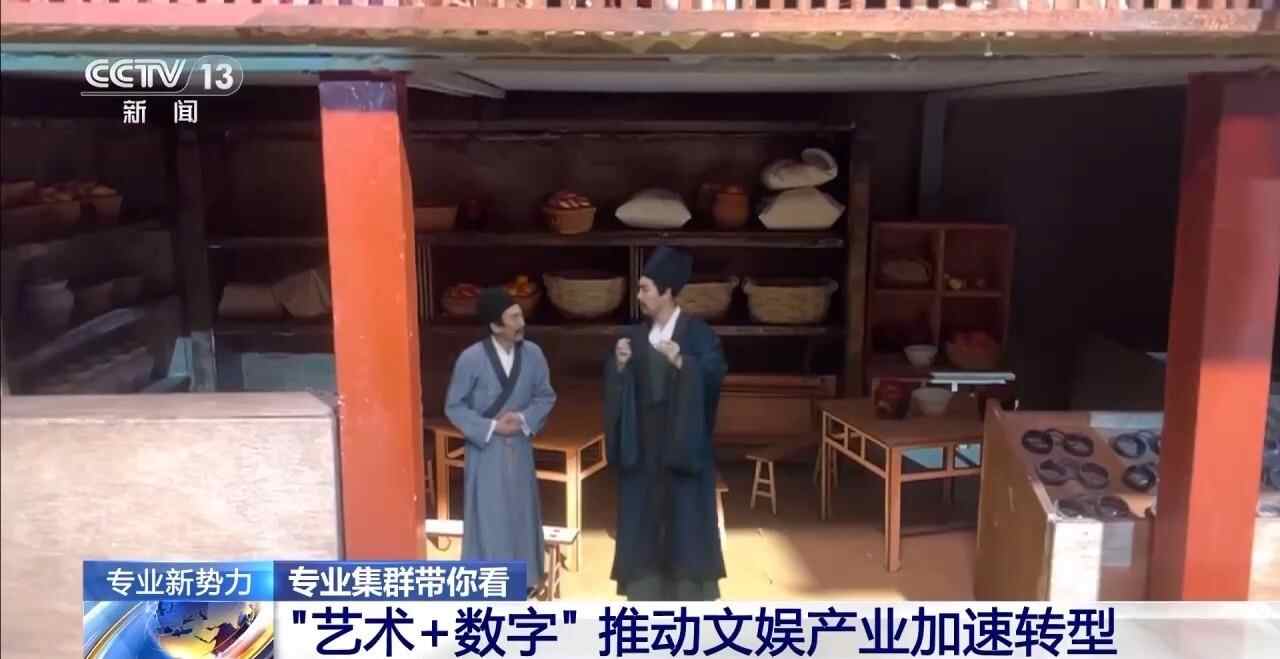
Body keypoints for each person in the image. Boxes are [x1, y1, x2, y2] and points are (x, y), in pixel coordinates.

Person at [603, 246, 728, 600]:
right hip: (643, 452)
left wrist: (684, 365)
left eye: (645, 288)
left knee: (685, 528)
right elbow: (615, 388)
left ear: (667, 292)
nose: (639, 296)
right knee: (643, 530)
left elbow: (714, 376)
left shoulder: (699, 335)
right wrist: (619, 366)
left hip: (683, 449)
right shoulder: (633, 337)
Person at [445, 287, 557, 596]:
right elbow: (454, 406)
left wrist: (522, 419)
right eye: (514, 318)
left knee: (521, 512)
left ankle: (526, 579)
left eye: (520, 315)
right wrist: (491, 426)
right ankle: (488, 583)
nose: (522, 323)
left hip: (519, 447)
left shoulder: (533, 354)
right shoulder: (471, 358)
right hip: (486, 450)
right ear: (495, 325)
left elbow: (545, 396)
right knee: (489, 515)